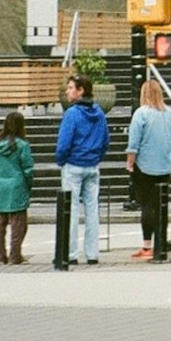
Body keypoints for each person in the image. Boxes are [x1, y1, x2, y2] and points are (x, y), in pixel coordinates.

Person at [55, 73, 110, 264]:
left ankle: (70, 254)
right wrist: (96, 157)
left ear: (81, 91)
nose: (68, 91)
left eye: (71, 88)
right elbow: (105, 141)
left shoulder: (72, 114)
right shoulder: (99, 113)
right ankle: (92, 253)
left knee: (70, 210)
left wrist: (61, 160)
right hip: (92, 165)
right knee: (92, 211)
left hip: (74, 164)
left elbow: (64, 143)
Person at [125, 80, 171, 260]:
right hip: (164, 166)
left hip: (144, 166)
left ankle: (147, 246)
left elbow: (133, 144)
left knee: (146, 205)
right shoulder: (170, 113)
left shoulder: (141, 114)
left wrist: (130, 163)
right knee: (161, 205)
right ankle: (161, 244)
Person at [0, 111, 34, 265]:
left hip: (0, 186)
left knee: (0, 225)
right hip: (17, 185)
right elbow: (28, 168)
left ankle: (0, 256)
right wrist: (28, 185)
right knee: (18, 225)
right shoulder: (22, 145)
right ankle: (15, 255)